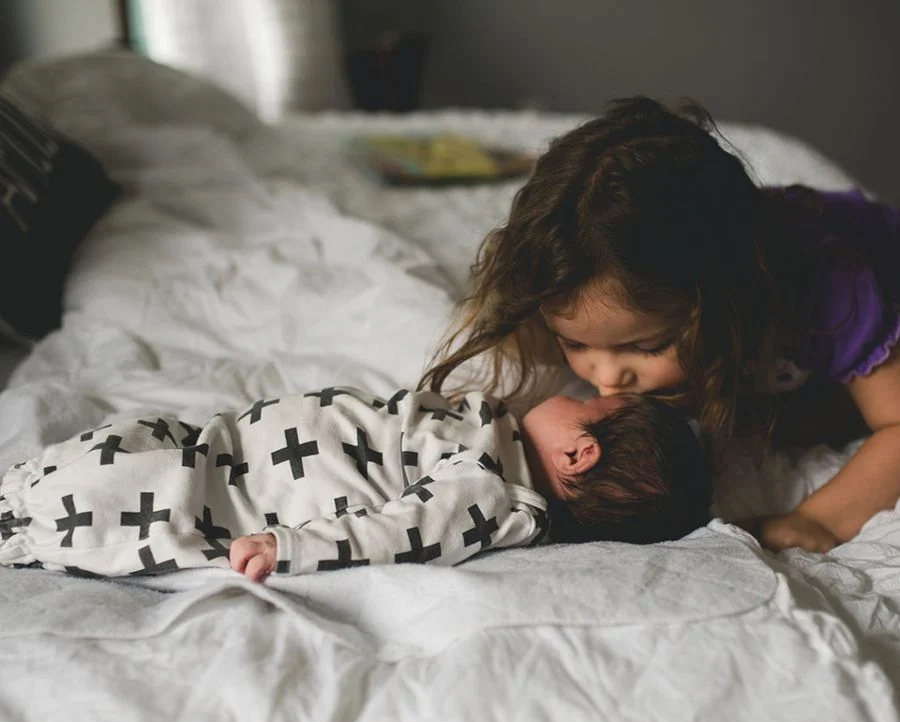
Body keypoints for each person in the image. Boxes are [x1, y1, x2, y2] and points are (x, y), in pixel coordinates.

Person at [420, 96, 900, 554]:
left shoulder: (833, 289)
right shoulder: (581, 286)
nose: (607, 378)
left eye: (648, 346)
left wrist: (817, 520)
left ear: (729, 302)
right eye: (574, 342)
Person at [0, 386, 710, 581]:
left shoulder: (489, 494)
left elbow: (400, 535)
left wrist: (294, 548)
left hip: (234, 491)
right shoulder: (494, 442)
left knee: (124, 494)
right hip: (226, 445)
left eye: (584, 403)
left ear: (578, 453)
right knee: (131, 452)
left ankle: (21, 521)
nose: (574, 390)